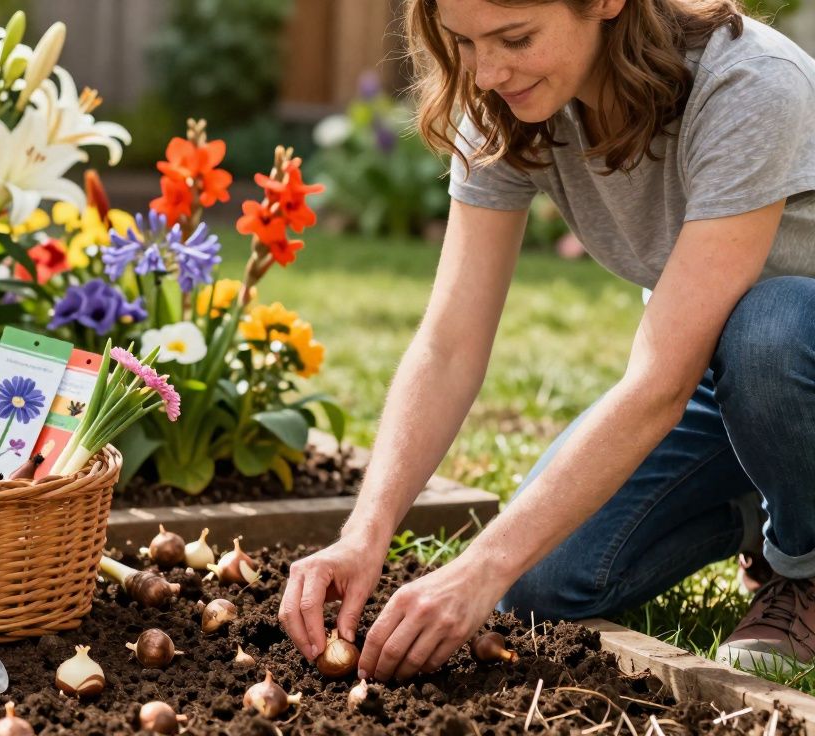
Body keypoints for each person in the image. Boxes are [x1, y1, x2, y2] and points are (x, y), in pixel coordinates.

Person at [278, 0, 815, 682]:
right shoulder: (504, 97)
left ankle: (804, 564)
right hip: (723, 372)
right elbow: (448, 344)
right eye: (465, 42)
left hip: (790, 348)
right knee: (538, 587)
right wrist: (366, 531)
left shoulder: (749, 85)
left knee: (769, 329)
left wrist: (481, 561)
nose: (488, 70)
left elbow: (658, 383)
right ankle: (762, 502)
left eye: (516, 37)